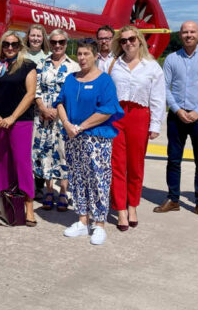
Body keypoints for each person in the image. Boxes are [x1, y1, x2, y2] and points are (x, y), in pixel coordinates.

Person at [55, 40, 123, 245]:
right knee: (77, 178)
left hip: (96, 138)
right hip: (73, 136)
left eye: (86, 54)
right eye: (80, 54)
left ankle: (99, 223)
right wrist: (66, 123)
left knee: (98, 180)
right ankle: (82, 220)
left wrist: (81, 126)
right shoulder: (71, 79)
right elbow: (60, 102)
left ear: (95, 56)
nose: (82, 58)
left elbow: (107, 109)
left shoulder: (105, 81)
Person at [157, 21, 198, 220]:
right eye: (185, 32)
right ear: (180, 35)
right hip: (177, 116)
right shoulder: (171, 59)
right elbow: (165, 87)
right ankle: (173, 198)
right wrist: (176, 109)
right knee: (173, 159)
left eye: (192, 32)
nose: (188, 35)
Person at [108, 25, 166, 230]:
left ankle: (132, 205)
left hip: (140, 115)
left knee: (135, 164)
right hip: (117, 116)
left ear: (140, 40)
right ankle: (120, 210)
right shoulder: (113, 64)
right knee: (116, 164)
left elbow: (158, 97)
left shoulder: (151, 67)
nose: (128, 43)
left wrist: (155, 124)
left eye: (131, 39)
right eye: (123, 41)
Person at [0, 32, 38, 226]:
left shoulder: (27, 65)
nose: (10, 47)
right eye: (6, 44)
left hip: (20, 121)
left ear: (20, 46)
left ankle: (29, 207)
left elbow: (30, 94)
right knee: (1, 162)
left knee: (22, 163)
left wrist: (12, 118)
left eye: (14, 44)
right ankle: (6, 204)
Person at [33, 29, 79, 212]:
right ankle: (49, 190)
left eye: (61, 42)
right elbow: (35, 89)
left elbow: (75, 94)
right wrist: (43, 108)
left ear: (66, 44)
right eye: (54, 42)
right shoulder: (41, 64)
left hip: (64, 118)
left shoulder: (73, 66)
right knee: (45, 153)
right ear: (49, 44)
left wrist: (60, 113)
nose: (57, 45)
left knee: (63, 153)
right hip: (43, 117)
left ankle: (63, 192)